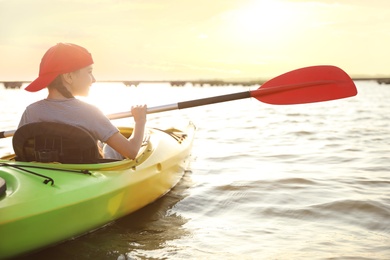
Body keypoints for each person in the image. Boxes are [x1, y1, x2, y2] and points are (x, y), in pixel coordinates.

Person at [18, 42, 147, 160]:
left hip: (48, 176)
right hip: (90, 176)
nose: (94, 79)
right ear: (68, 76)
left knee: (102, 143)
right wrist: (140, 121)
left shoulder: (31, 112)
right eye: (89, 72)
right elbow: (131, 151)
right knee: (111, 148)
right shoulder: (90, 113)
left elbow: (21, 151)